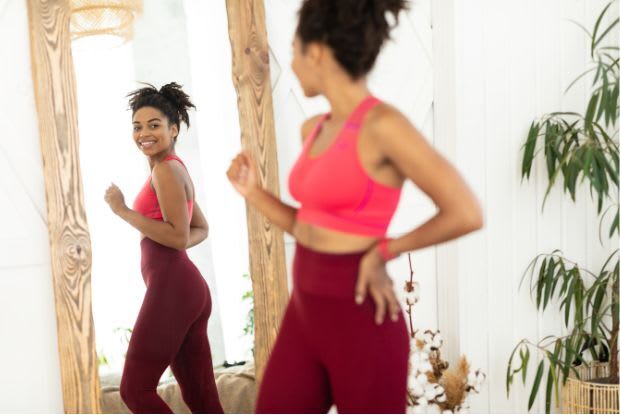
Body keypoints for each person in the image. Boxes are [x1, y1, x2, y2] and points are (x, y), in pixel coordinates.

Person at [226, 0, 483, 413]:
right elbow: (309, 226)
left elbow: (466, 211)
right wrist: (255, 193)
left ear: (316, 53)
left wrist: (386, 249)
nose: (289, 64)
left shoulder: (384, 126)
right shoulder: (316, 128)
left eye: (293, 51)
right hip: (305, 314)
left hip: (362, 319)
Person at [104, 82, 223, 414]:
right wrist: (175, 238)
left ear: (173, 129)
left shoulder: (166, 170)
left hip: (174, 286)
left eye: (154, 125)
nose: (144, 132)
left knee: (135, 390)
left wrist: (123, 211)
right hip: (186, 288)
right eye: (137, 126)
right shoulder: (172, 167)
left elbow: (178, 237)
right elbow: (200, 229)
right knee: (202, 400)